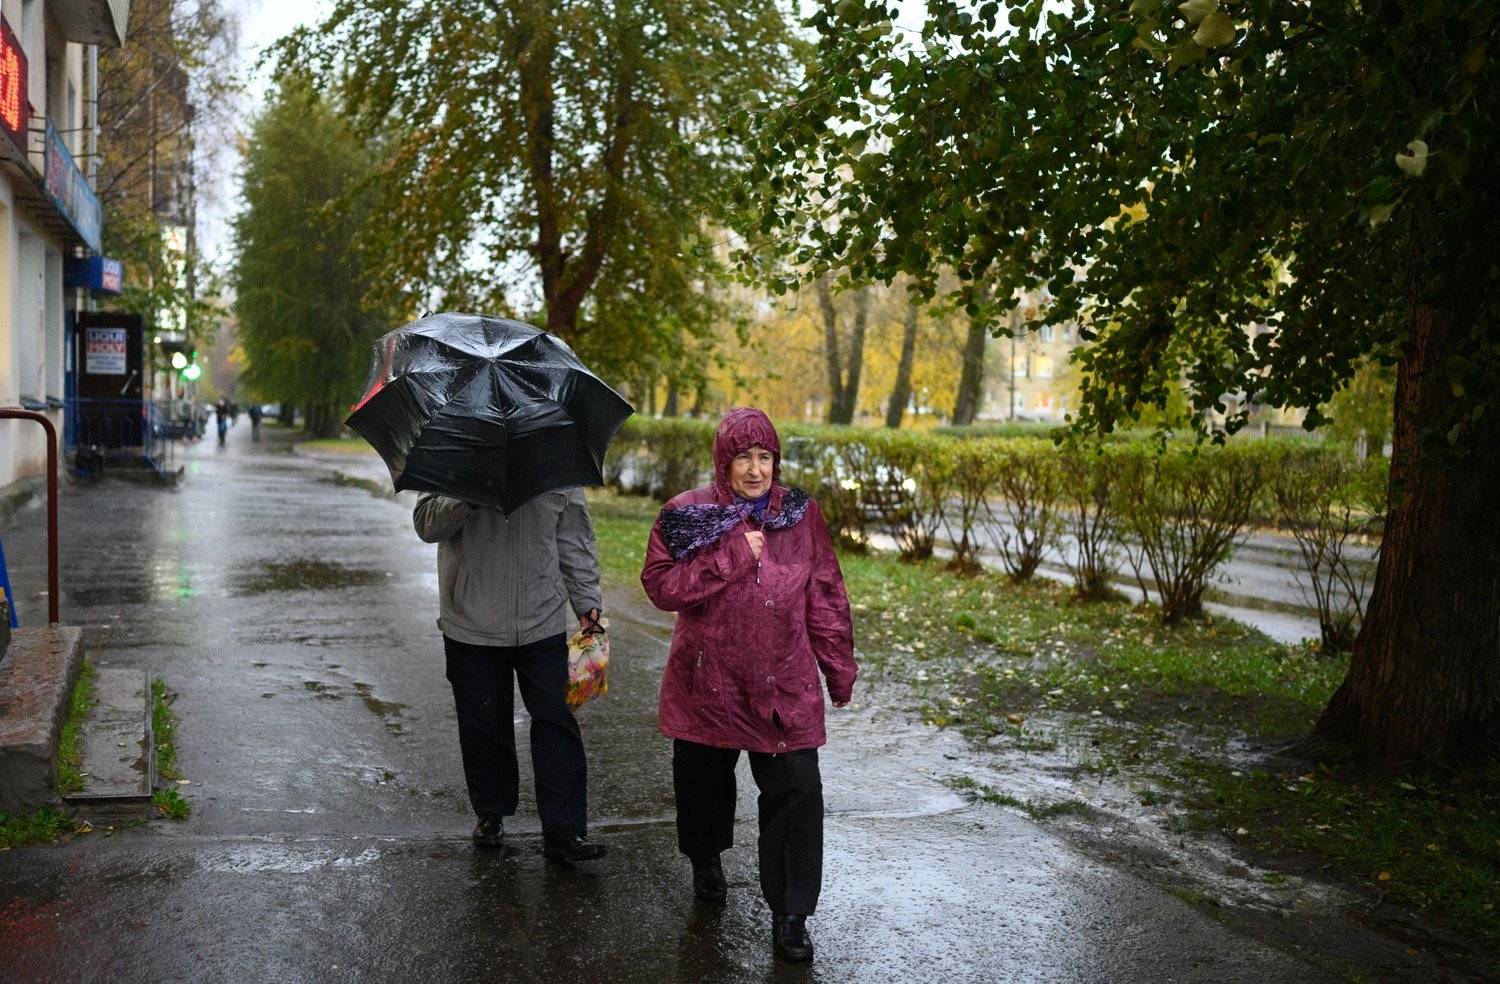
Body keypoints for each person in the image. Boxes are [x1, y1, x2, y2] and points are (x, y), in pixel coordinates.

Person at [640, 407, 858, 964]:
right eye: (743, 457)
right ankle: (707, 860)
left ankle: (791, 915)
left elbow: (825, 593)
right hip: (707, 680)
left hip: (781, 682)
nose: (756, 470)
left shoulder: (800, 516)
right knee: (704, 787)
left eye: (765, 457)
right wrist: (734, 555)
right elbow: (661, 587)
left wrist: (837, 666)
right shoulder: (687, 514)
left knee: (798, 794)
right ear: (723, 460)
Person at [414, 488, 608, 864]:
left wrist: (588, 605)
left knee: (556, 717)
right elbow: (426, 525)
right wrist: (466, 497)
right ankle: (491, 812)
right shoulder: (456, 449)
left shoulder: (555, 455)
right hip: (471, 619)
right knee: (483, 722)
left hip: (542, 618)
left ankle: (565, 829)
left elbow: (574, 538)